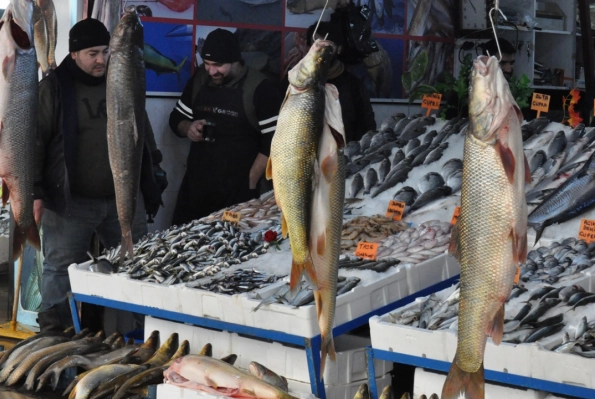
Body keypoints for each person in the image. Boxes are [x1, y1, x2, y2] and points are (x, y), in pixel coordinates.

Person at [34, 18, 164, 331]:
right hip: (70, 203)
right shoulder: (54, 87)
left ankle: (148, 332)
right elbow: (36, 139)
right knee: (59, 270)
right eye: (93, 53)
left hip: (122, 200)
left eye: (106, 52)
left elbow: (141, 130)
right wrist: (36, 191)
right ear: (75, 53)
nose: (101, 60)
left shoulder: (121, 80)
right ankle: (54, 340)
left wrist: (154, 171)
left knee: (139, 264)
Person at [169, 29, 282, 226]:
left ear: (235, 61)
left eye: (218, 65)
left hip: (238, 191)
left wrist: (251, 181)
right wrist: (188, 127)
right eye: (207, 64)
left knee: (231, 246)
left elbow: (274, 140)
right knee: (186, 242)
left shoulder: (261, 88)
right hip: (197, 186)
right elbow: (176, 118)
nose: (211, 71)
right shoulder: (199, 81)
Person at [303, 21, 376, 142]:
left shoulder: (354, 86)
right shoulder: (295, 83)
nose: (321, 52)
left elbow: (367, 128)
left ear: (339, 49)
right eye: (316, 45)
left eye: (327, 47)